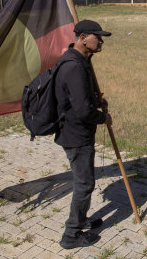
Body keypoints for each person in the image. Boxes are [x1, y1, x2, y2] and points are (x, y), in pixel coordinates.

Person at [54, 19, 112, 249]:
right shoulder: (74, 66)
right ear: (83, 38)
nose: (101, 41)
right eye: (97, 37)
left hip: (77, 131)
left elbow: (80, 97)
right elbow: (83, 110)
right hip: (75, 135)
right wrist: (102, 117)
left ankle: (82, 220)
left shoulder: (81, 60)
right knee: (84, 184)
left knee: (84, 182)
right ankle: (71, 235)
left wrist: (97, 100)